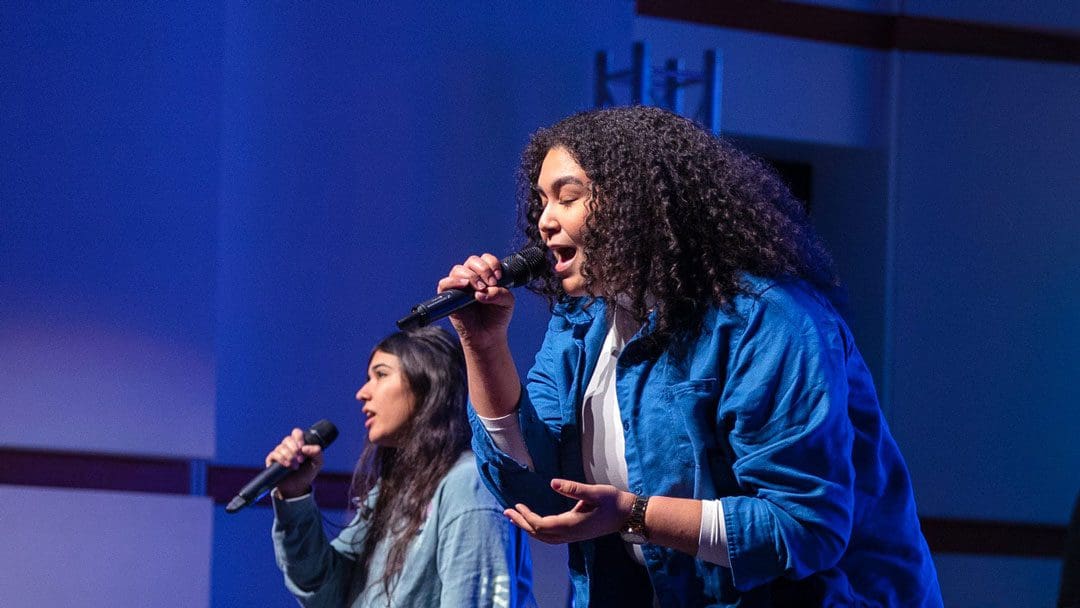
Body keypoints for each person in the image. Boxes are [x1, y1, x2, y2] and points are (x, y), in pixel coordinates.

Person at [438, 105, 943, 606]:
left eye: (567, 197)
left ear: (635, 204)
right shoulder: (582, 324)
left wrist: (637, 515)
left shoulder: (769, 320)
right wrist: (483, 345)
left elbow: (805, 526)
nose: (545, 221)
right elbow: (538, 491)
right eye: (541, 202)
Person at [267, 326, 536, 607]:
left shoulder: (467, 483)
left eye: (381, 375)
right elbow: (326, 592)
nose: (362, 393)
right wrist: (294, 495)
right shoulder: (394, 491)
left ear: (428, 385)